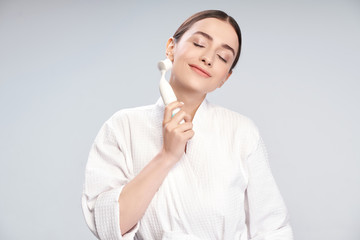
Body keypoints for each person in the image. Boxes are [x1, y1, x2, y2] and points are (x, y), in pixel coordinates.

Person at [81, 10, 294, 240]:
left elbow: (273, 230)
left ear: (225, 78)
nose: (208, 58)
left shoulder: (242, 133)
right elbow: (108, 226)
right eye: (199, 43)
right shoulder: (122, 127)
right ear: (171, 47)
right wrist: (167, 155)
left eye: (223, 57)